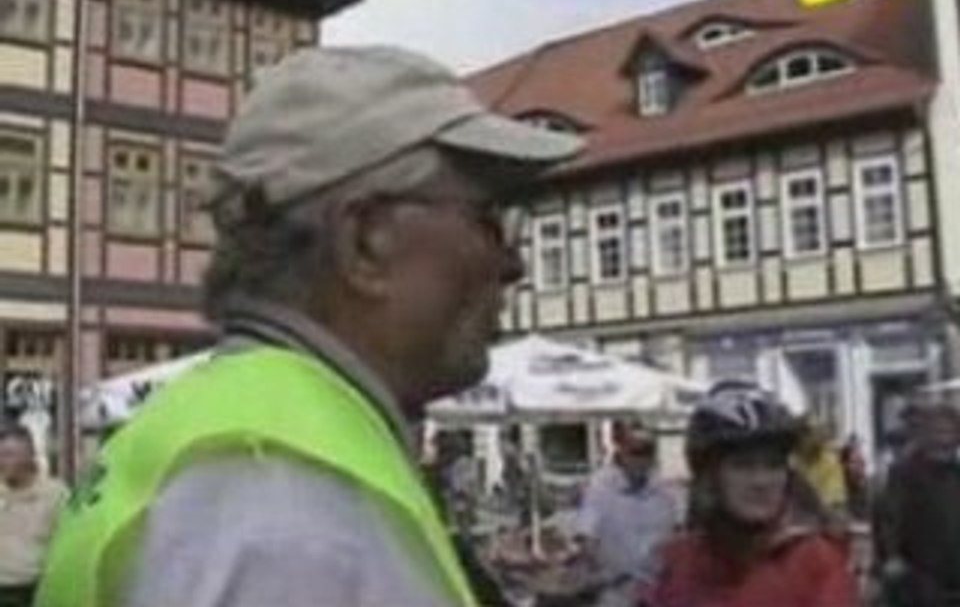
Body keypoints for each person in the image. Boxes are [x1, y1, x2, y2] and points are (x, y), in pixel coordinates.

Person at [35, 45, 583, 607]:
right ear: (367, 241)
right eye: (488, 217)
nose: (512, 263)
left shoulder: (231, 437)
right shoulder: (286, 502)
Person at [648, 381, 858, 607]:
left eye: (773, 465)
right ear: (710, 476)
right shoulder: (676, 562)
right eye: (742, 465)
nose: (761, 481)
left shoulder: (815, 563)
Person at [573, 420, 678, 607]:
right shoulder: (601, 488)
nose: (642, 459)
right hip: (615, 593)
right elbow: (586, 535)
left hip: (656, 593)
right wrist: (593, 565)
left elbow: (676, 538)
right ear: (622, 452)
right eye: (636, 452)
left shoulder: (665, 494)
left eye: (648, 452)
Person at [874, 400, 960, 607]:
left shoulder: (956, 472)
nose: (945, 438)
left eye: (951, 432)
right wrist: (892, 555)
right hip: (922, 572)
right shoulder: (906, 472)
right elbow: (890, 515)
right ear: (927, 435)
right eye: (939, 431)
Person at [0, 423, 67, 607]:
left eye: (8, 454)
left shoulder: (55, 494)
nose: (2, 461)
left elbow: (66, 542)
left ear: (29, 456)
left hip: (34, 591)